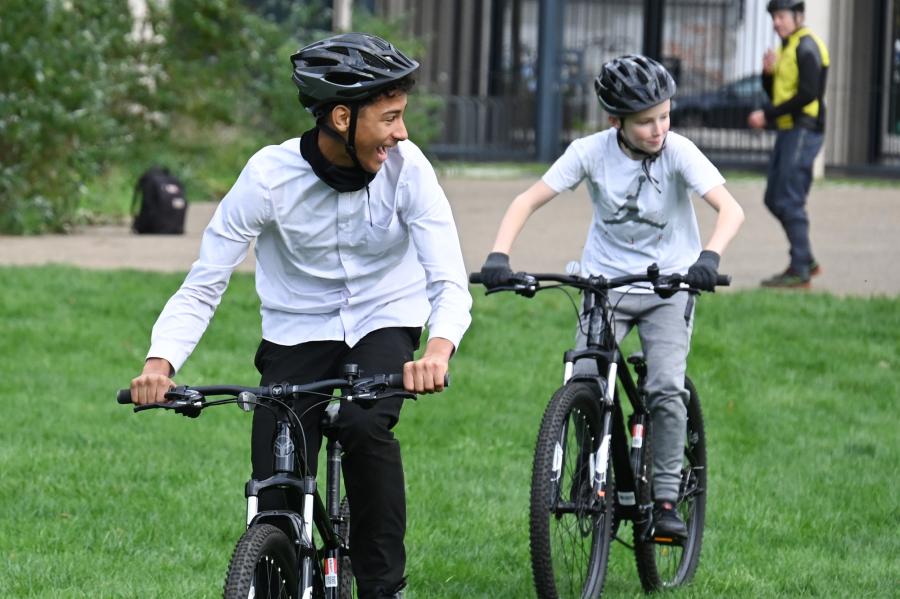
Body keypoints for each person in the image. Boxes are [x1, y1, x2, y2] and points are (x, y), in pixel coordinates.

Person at [128, 33, 472, 599]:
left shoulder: (409, 171)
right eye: (388, 117)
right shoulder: (268, 177)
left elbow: (447, 280)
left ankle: (385, 587)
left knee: (365, 425)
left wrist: (437, 350)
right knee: (278, 478)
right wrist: (159, 362)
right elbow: (205, 281)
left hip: (384, 316)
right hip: (298, 328)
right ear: (342, 117)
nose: (401, 132)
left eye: (400, 115)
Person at [479, 55, 744, 539]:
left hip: (669, 286)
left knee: (665, 386)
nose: (659, 129)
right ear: (615, 121)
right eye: (646, 122)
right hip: (605, 286)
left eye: (665, 116)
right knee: (584, 376)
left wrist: (709, 257)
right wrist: (500, 254)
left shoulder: (679, 151)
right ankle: (589, 471)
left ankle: (665, 499)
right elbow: (526, 200)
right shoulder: (589, 152)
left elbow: (730, 209)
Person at [748, 0, 830, 288]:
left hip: (804, 131)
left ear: (798, 16)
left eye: (780, 16)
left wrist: (767, 115)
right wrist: (767, 76)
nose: (776, 23)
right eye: (773, 17)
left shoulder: (807, 45)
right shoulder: (786, 47)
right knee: (774, 197)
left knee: (788, 198)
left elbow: (808, 94)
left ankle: (800, 268)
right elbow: (778, 95)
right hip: (788, 131)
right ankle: (804, 260)